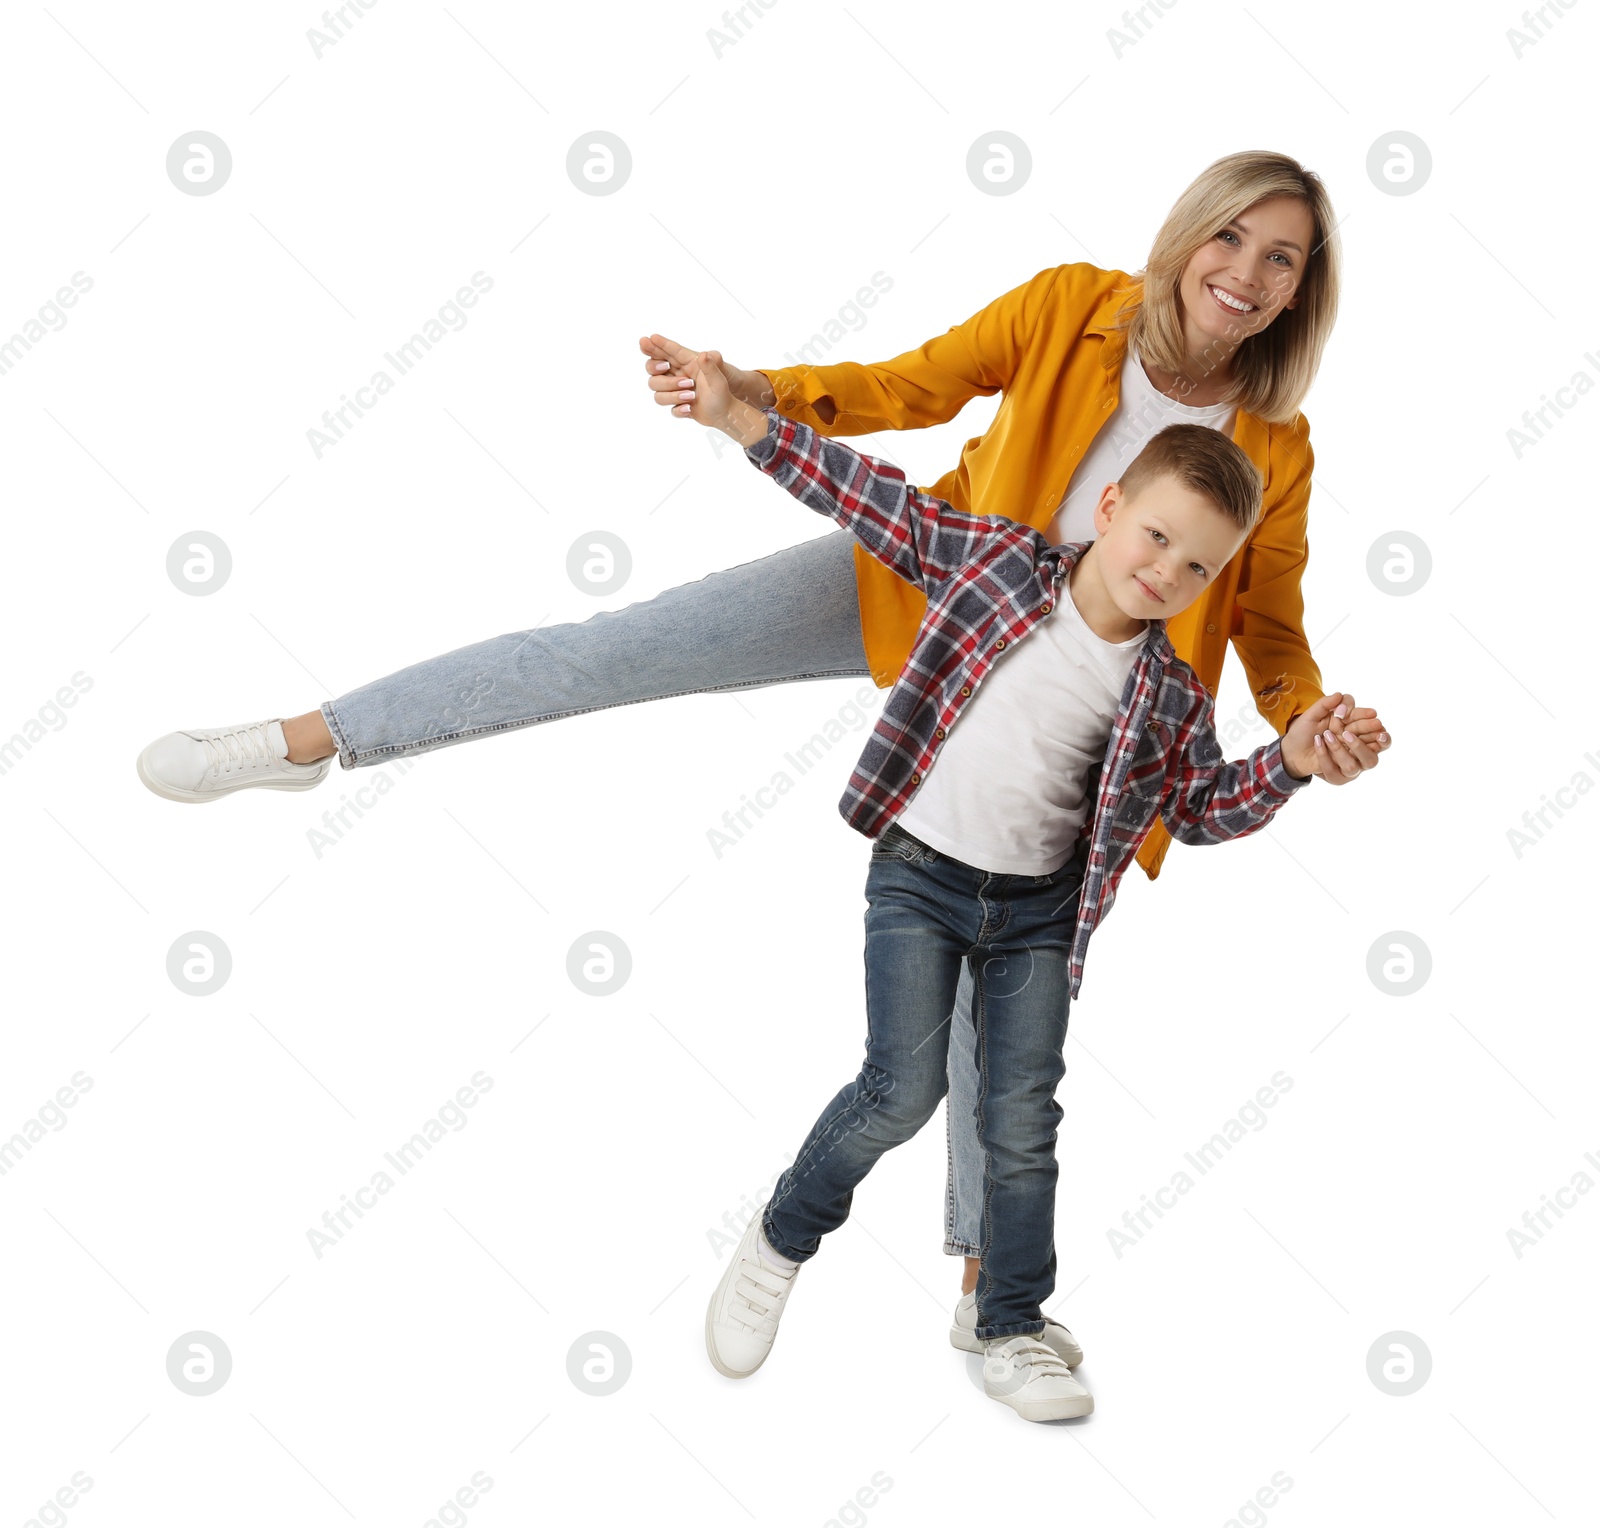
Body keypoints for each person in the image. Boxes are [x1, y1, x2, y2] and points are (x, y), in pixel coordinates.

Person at [132, 149, 1390, 1338]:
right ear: (1187, 236)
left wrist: (1301, 724)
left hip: (1080, 707)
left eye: (1283, 258)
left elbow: (1269, 619)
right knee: (620, 648)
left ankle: (982, 1295)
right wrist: (753, 401)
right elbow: (916, 384)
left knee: (1004, 974)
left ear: (1303, 291)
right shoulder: (1075, 308)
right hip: (935, 580)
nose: (1247, 271)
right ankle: (313, 738)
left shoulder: (1275, 447)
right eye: (1231, 235)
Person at [693, 353, 1359, 1421]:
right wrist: (748, 424)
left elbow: (1196, 810)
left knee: (1020, 1121)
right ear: (1109, 504)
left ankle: (1004, 1321)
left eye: (1196, 568)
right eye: (1155, 537)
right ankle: (779, 1238)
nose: (1164, 573)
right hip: (919, 878)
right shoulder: (996, 563)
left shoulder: (1169, 693)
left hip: (1039, 914)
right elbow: (875, 502)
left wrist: (1287, 764)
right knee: (898, 1091)